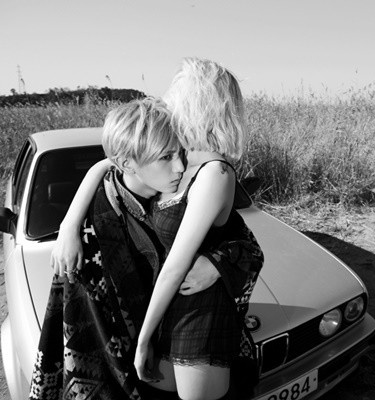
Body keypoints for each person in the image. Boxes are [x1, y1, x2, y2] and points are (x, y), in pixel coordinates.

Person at [32, 62, 262, 400]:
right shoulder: (177, 160)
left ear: (199, 105)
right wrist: (69, 224)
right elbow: (109, 163)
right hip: (160, 321)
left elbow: (202, 254)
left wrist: (219, 262)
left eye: (178, 95)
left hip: (194, 319)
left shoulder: (208, 171)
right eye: (167, 157)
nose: (170, 101)